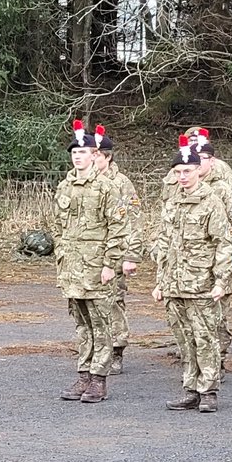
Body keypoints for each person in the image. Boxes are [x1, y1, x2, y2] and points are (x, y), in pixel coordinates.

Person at [152, 137, 232, 413]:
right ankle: (191, 388)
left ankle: (208, 390)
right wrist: (160, 281)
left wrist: (221, 281)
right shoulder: (172, 203)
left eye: (187, 171)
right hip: (174, 285)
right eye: (177, 172)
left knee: (205, 338)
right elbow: (164, 243)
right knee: (184, 340)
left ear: (198, 169)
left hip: (201, 284)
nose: (182, 176)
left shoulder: (211, 202)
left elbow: (223, 243)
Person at [54, 120, 126, 402]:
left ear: (94, 155)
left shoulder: (107, 187)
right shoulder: (65, 186)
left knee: (101, 323)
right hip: (72, 268)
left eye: (83, 152)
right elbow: (58, 226)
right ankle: (83, 375)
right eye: (74, 153)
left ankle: (99, 379)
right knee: (81, 324)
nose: (78, 156)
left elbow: (118, 228)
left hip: (97, 268)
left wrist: (110, 264)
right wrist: (62, 257)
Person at [197, 137, 232, 367]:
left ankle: (217, 361)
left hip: (219, 262)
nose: (198, 163)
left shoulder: (224, 190)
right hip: (192, 266)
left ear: (212, 160)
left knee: (216, 315)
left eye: (203, 159)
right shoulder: (184, 190)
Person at [92, 125, 141, 375]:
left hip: (115, 254)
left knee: (113, 302)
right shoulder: (84, 181)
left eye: (96, 155)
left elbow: (133, 220)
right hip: (89, 256)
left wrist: (131, 256)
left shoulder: (121, 184)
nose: (90, 159)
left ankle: (116, 350)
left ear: (108, 157)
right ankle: (94, 349)